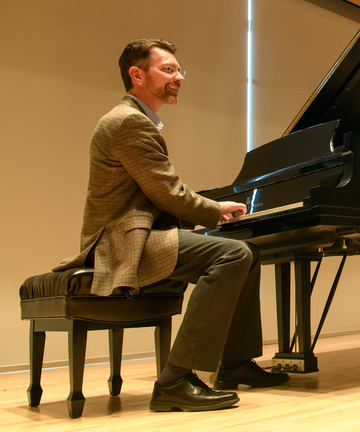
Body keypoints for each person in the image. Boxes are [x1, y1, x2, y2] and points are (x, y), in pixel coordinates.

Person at [54, 39, 289, 411]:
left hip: (144, 233)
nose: (179, 77)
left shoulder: (135, 119)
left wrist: (212, 209)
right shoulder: (128, 122)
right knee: (232, 256)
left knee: (249, 252)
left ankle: (234, 363)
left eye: (180, 71)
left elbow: (163, 193)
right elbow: (169, 194)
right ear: (137, 74)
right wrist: (214, 210)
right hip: (125, 241)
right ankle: (174, 380)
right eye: (168, 70)